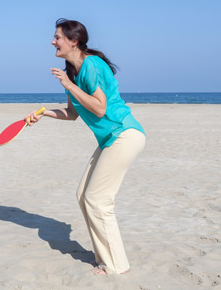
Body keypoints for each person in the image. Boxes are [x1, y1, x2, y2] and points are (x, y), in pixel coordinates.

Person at [27, 18, 146, 275]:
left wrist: (69, 86)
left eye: (57, 37)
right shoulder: (72, 72)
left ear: (74, 41)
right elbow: (72, 114)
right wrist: (43, 113)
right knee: (84, 196)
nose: (52, 41)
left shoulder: (91, 64)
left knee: (98, 199)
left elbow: (100, 107)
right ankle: (105, 258)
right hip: (110, 139)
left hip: (124, 133)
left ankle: (116, 266)